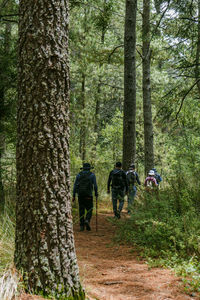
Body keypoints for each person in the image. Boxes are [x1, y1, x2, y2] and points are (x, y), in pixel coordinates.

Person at [73, 163, 98, 231]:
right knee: (90, 209)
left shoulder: (79, 175)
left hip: (80, 195)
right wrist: (96, 193)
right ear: (89, 168)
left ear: (83, 168)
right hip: (88, 195)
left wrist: (73, 195)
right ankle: (87, 220)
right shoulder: (92, 175)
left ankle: (81, 226)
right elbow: (95, 185)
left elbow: (75, 185)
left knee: (81, 210)